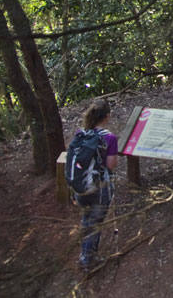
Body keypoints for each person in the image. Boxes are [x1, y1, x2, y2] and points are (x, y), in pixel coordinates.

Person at [74, 99, 118, 270]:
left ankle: (84, 254)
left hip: (80, 187)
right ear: (106, 117)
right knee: (95, 222)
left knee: (87, 219)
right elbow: (111, 164)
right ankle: (88, 260)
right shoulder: (109, 137)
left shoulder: (80, 134)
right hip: (99, 188)